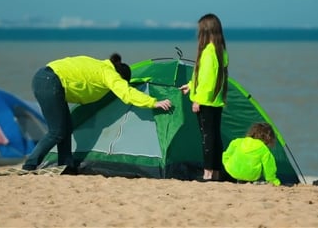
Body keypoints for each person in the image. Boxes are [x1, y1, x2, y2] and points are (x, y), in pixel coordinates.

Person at [22, 53, 172, 172]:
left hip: (44, 77)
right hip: (51, 82)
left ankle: (66, 165)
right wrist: (154, 102)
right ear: (121, 77)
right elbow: (127, 94)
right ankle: (30, 164)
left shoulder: (99, 65)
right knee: (57, 132)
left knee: (66, 129)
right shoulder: (110, 74)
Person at [179, 13, 228, 181]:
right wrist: (191, 85)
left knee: (207, 138)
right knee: (214, 137)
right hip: (216, 101)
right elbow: (207, 77)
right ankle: (216, 172)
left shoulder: (208, 52)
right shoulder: (220, 51)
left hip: (206, 101)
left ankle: (207, 173)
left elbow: (207, 81)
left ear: (206, 32)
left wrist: (197, 99)